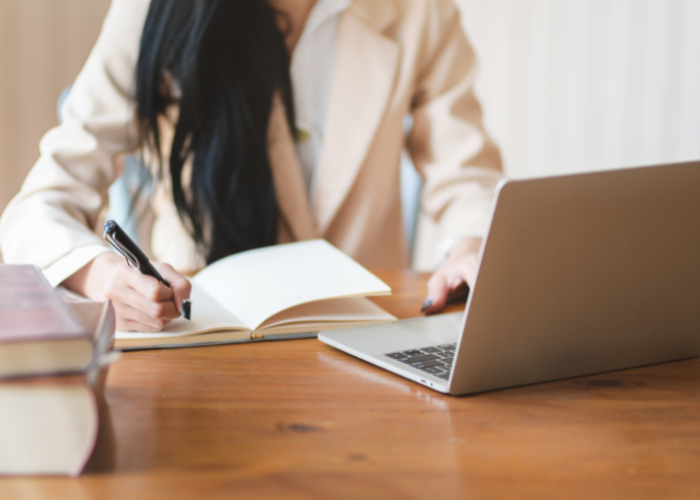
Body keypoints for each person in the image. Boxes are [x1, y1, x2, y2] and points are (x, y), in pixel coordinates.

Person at [0, 0, 503, 332]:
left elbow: (466, 178)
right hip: (203, 341)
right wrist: (103, 275)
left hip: (364, 339)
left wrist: (469, 245)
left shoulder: (420, 11)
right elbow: (40, 206)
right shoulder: (153, 10)